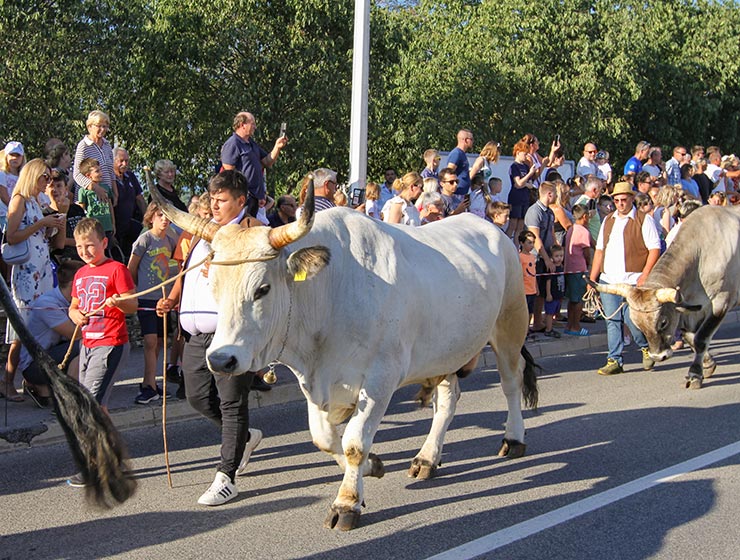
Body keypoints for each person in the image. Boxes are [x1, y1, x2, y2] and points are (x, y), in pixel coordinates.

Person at [156, 170, 264, 506]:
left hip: (230, 333)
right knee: (197, 398)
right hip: (195, 335)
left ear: (241, 201)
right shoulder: (204, 232)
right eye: (212, 199)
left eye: (222, 200)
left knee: (232, 403)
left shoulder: (253, 233)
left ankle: (226, 476)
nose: (214, 205)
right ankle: (244, 438)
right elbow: (186, 274)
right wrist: (173, 298)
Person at [66, 218, 137, 486]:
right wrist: (75, 315)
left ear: (104, 243)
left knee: (91, 405)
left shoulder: (117, 269)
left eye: (91, 246)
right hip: (88, 345)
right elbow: (74, 305)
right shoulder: (81, 274)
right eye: (81, 247)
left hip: (111, 343)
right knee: (98, 405)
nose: (85, 252)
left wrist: (119, 302)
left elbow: (132, 305)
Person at [0, 160, 66, 402]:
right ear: (32, 176)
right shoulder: (19, 200)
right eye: (43, 178)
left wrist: (52, 227)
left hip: (42, 268)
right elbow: (12, 235)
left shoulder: (36, 202)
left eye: (49, 179)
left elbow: (44, 238)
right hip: (27, 273)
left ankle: (32, 380)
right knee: (23, 328)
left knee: (40, 326)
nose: (47, 183)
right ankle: (7, 380)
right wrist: (42, 224)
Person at [588, 182, 661, 376]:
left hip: (632, 279)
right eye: (617, 200)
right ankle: (614, 359)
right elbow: (599, 251)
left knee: (632, 320)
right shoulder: (608, 220)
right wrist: (593, 279)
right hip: (609, 280)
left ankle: (644, 347)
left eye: (624, 200)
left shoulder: (643, 220)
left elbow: (654, 249)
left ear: (631, 198)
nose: (620, 203)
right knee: (612, 320)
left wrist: (645, 274)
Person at [128, 202, 179, 404]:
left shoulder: (171, 239)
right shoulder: (145, 240)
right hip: (147, 298)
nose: (164, 219)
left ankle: (153, 382)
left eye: (167, 215)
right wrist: (138, 288)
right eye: (160, 215)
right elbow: (131, 267)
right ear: (151, 218)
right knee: (149, 341)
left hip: (164, 299)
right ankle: (147, 385)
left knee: (159, 341)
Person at [18, 260, 84, 408]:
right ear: (75, 283)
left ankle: (47, 390)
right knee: (84, 344)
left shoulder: (65, 300)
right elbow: (74, 335)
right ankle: (71, 395)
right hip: (34, 366)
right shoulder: (48, 303)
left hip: (48, 355)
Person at [220, 111, 288, 217]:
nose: (255, 127)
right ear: (242, 125)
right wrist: (240, 194)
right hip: (242, 199)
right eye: (253, 123)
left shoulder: (251, 143)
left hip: (254, 198)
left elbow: (267, 161)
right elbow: (229, 174)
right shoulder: (232, 144)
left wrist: (277, 147)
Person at [525, 181, 557, 332]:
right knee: (533, 291)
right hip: (535, 258)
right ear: (549, 194)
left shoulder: (549, 212)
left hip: (547, 256)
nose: (557, 196)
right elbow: (535, 238)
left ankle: (538, 321)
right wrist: (545, 258)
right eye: (555, 193)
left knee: (543, 291)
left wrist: (555, 252)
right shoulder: (534, 211)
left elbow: (551, 234)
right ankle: (528, 323)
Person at [73, 110, 116, 204]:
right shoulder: (84, 145)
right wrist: (95, 188)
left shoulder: (107, 145)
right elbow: (76, 174)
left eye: (105, 126)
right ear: (90, 127)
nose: (103, 129)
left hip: (105, 197)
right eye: (99, 126)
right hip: (88, 198)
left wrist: (115, 193)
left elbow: (111, 172)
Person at [113, 148, 147, 261]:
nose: (124, 164)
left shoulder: (130, 176)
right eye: (121, 161)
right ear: (113, 161)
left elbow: (140, 199)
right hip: (116, 225)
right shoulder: (108, 179)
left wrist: (148, 218)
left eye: (127, 161)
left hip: (130, 221)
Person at [77, 158, 117, 252]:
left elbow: (110, 207)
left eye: (100, 170)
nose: (101, 173)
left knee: (107, 250)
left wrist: (113, 224)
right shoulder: (83, 191)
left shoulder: (106, 188)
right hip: (93, 227)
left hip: (107, 226)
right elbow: (81, 209)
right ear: (88, 175)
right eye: (97, 171)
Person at [564, 204, 591, 336]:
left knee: (571, 299)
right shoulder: (584, 231)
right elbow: (586, 252)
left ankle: (569, 324)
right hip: (579, 268)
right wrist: (589, 264)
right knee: (579, 299)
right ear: (585, 217)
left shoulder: (571, 229)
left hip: (569, 267)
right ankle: (576, 326)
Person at [47, 168, 85, 263]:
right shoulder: (46, 214)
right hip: (61, 261)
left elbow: (87, 235)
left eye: (59, 186)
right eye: (51, 186)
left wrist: (67, 240)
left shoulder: (77, 209)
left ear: (66, 189)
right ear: (46, 190)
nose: (55, 190)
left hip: (82, 257)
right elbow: (57, 243)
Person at [507, 139, 538, 240]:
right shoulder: (514, 166)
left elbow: (528, 183)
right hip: (516, 198)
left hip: (525, 197)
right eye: (525, 154)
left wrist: (527, 183)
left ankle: (516, 248)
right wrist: (529, 175)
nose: (526, 156)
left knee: (520, 227)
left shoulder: (525, 166)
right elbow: (518, 183)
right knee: (513, 225)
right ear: (518, 153)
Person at [0, 141, 25, 231]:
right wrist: (16, 208)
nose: (15, 158)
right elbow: (4, 196)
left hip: (20, 215)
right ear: (6, 156)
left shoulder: (22, 177)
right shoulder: (2, 174)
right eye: (12, 155)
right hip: (4, 214)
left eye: (18, 155)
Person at [543, 244, 565, 338]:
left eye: (561, 256)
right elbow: (548, 281)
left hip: (559, 294)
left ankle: (552, 325)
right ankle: (548, 329)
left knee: (555, 311)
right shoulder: (552, 268)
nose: (559, 258)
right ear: (552, 257)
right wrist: (548, 294)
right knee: (549, 313)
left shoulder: (561, 267)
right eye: (556, 256)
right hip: (552, 294)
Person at [574, 176, 602, 245]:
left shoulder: (588, 201)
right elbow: (583, 225)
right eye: (601, 190)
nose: (601, 193)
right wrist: (593, 244)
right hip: (590, 244)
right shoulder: (587, 203)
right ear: (595, 190)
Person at [519, 230, 537, 330]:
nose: (532, 245)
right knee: (523, 312)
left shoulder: (532, 256)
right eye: (529, 242)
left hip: (532, 290)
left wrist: (536, 287)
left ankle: (527, 330)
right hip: (524, 291)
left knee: (530, 312)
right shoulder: (520, 257)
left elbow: (534, 274)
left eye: (533, 242)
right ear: (522, 243)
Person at [446, 129, 474, 195]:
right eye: (471, 139)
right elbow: (449, 172)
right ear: (466, 140)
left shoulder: (462, 154)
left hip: (462, 193)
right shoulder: (456, 153)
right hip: (457, 193)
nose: (473, 141)